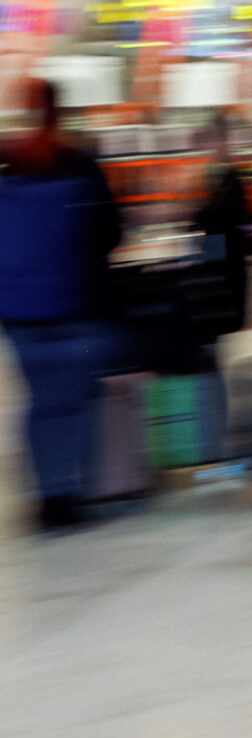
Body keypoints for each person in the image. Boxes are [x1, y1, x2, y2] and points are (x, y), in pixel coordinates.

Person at [0, 79, 123, 531]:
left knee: (39, 404)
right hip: (78, 308)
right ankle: (74, 493)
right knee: (79, 402)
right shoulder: (81, 162)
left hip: (20, 315)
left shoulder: (8, 164)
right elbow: (112, 234)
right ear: (61, 110)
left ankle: (47, 496)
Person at [192, 110, 252, 335]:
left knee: (221, 310)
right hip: (221, 251)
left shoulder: (229, 178)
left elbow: (221, 217)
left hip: (226, 253)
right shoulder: (217, 175)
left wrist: (196, 218)